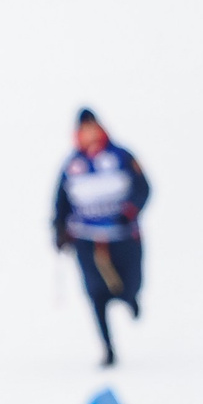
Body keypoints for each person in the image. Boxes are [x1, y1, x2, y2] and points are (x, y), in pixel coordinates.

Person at [52, 109, 150, 368]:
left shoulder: (121, 156)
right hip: (87, 239)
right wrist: (59, 230)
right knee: (96, 294)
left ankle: (130, 298)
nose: (89, 134)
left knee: (130, 284)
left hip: (123, 236)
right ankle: (108, 349)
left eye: (93, 127)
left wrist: (130, 211)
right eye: (84, 129)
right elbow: (60, 203)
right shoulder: (72, 165)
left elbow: (143, 188)